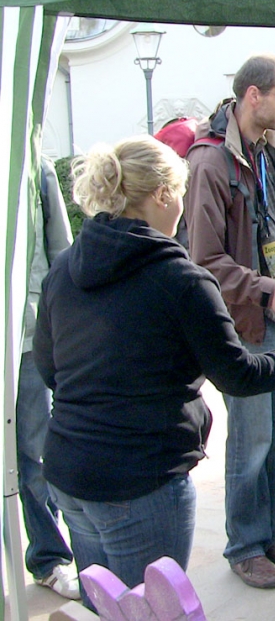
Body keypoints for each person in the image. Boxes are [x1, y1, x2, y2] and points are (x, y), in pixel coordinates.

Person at [32, 136, 275, 608]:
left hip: (70, 472)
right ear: (163, 195)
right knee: (150, 609)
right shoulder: (181, 279)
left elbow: (51, 369)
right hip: (141, 482)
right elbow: (237, 375)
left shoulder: (65, 268)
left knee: (106, 605)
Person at [185, 53, 275, 589]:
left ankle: (271, 534)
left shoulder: (269, 153)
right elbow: (205, 261)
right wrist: (268, 291)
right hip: (246, 326)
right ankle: (244, 545)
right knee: (252, 443)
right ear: (253, 97)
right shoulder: (209, 163)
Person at [17, 156, 77, 600]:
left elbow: (60, 249)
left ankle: (49, 556)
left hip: (24, 332)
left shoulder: (31, 159)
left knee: (36, 451)